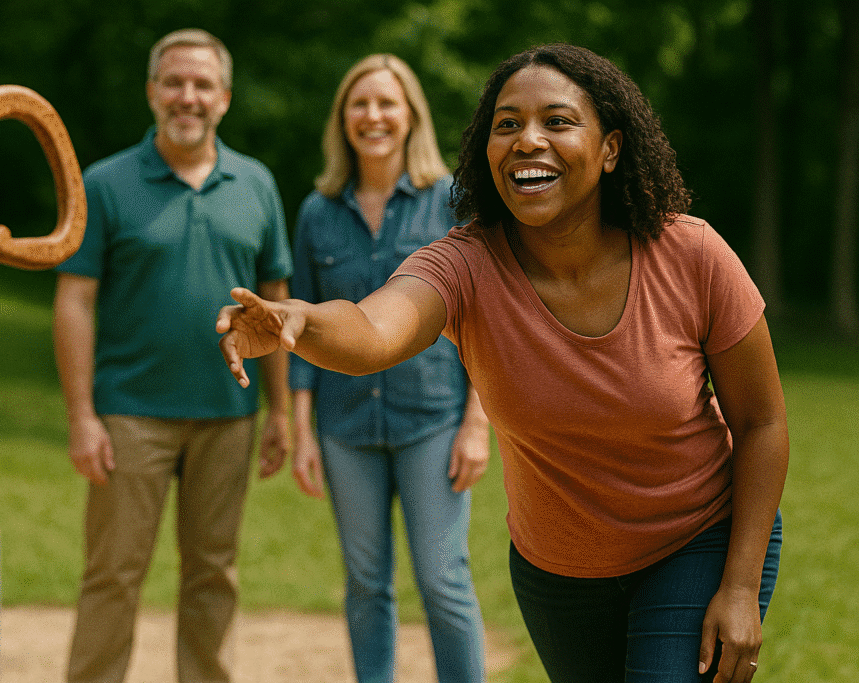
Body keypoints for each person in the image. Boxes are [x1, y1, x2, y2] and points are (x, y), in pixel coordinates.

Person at [217, 43, 788, 683]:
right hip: (560, 570)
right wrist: (299, 320)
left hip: (695, 539)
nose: (527, 140)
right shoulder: (466, 264)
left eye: (558, 121)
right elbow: (376, 327)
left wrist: (739, 586)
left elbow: (762, 422)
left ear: (611, 149)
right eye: (507, 124)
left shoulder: (691, 254)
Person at [53, 28, 293, 683]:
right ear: (152, 92)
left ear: (225, 98)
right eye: (175, 82)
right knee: (113, 572)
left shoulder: (257, 184)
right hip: (130, 414)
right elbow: (74, 300)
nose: (188, 96)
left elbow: (275, 302)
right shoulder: (104, 183)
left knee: (214, 573)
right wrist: (82, 414)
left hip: (229, 413)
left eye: (202, 84)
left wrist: (280, 410)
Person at [289, 54, 490, 683]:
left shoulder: (451, 203)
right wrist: (301, 433)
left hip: (432, 419)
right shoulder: (317, 214)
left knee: (441, 579)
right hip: (345, 425)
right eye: (359, 103)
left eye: (386, 102)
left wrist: (477, 423)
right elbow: (300, 329)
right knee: (365, 582)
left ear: (411, 116)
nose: (373, 115)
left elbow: (487, 318)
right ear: (343, 120)